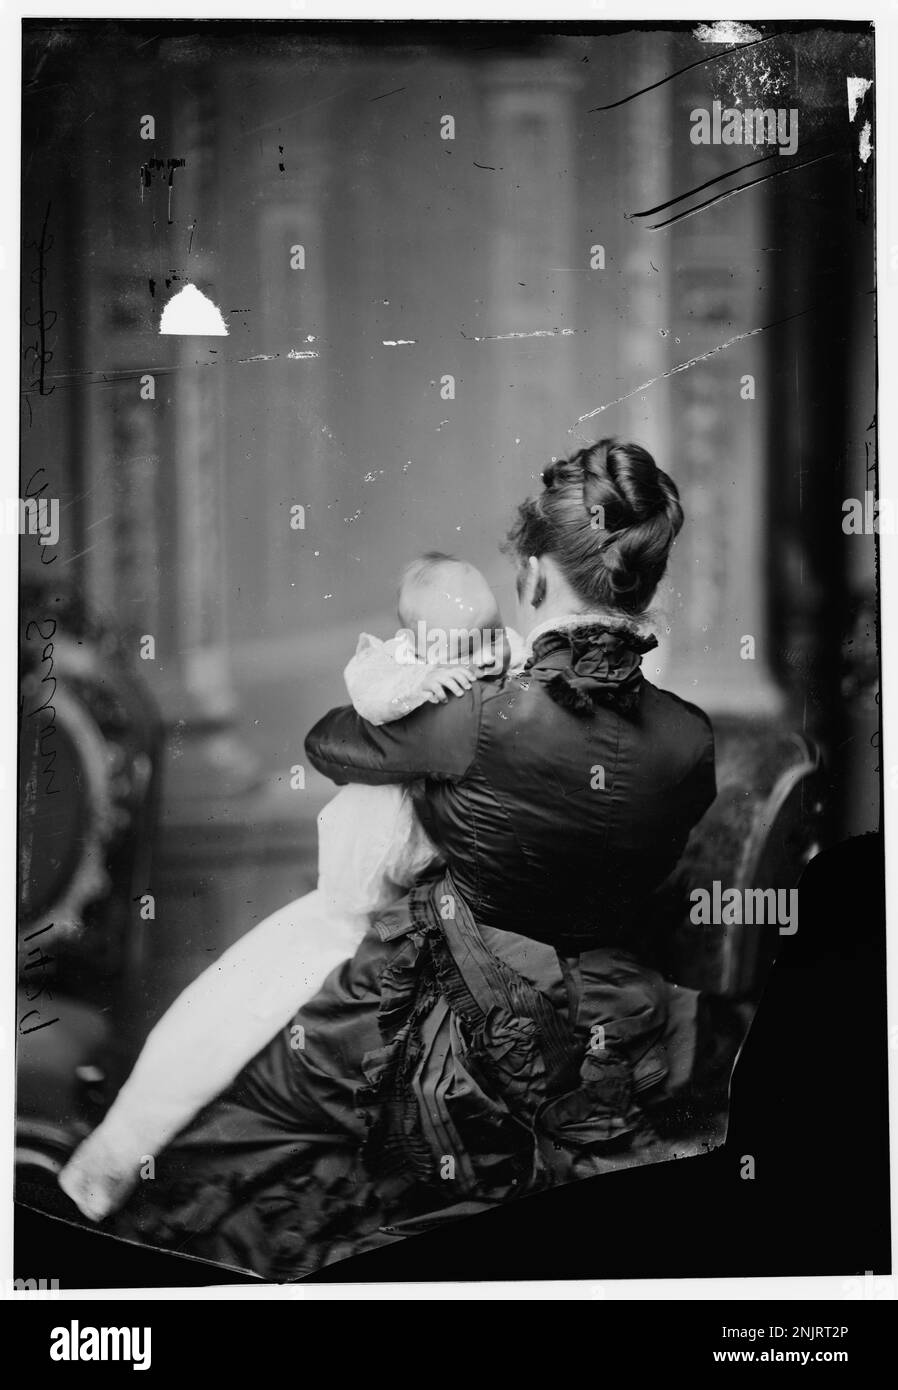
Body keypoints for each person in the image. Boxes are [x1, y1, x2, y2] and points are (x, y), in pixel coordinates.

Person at [73, 438, 717, 1280]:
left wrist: (432, 682)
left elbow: (331, 741)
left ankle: (117, 1184)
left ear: (529, 573)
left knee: (251, 1095)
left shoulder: (481, 712)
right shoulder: (689, 736)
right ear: (644, 580)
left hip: (460, 1031)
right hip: (614, 1016)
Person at [58, 554, 524, 1222]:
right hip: (358, 888)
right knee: (221, 1013)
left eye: (488, 633)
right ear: (417, 640)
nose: (480, 654)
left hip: (424, 903)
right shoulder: (391, 669)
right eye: (461, 643)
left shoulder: (502, 669)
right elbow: (364, 710)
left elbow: (514, 671)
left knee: (253, 1017)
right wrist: (431, 681)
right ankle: (110, 1165)